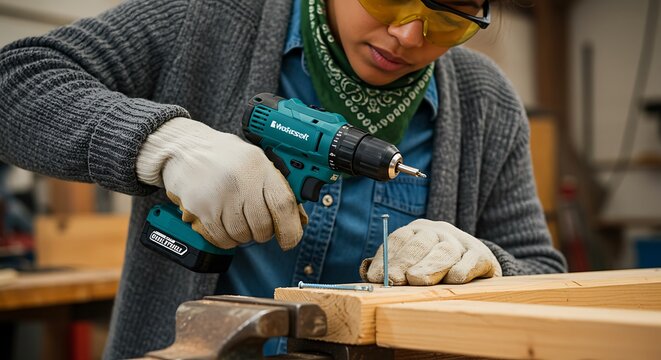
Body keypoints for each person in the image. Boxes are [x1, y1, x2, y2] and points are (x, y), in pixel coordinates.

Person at [0, 0, 567, 357]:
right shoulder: (205, 18)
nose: (409, 34)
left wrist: (484, 263)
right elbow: (15, 80)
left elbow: (542, 273)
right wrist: (162, 142)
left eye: (447, 13)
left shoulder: (486, 99)